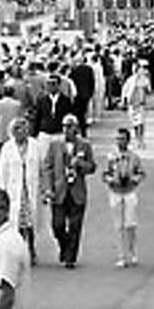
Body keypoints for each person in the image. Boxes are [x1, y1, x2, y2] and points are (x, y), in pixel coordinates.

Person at [41, 113, 96, 269]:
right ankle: (64, 246)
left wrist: (81, 164)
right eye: (65, 126)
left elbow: (92, 167)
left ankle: (70, 257)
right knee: (57, 225)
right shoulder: (55, 145)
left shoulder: (84, 145)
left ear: (76, 128)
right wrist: (47, 188)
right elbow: (47, 167)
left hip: (77, 192)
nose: (67, 129)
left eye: (70, 126)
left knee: (75, 225)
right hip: (59, 191)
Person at [0, 116, 41, 266]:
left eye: (24, 129)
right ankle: (21, 252)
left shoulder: (35, 145)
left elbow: (41, 167)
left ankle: (32, 248)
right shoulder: (7, 148)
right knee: (17, 224)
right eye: (18, 130)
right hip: (14, 190)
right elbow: (2, 172)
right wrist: (0, 192)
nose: (21, 132)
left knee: (30, 223)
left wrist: (45, 187)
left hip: (30, 188)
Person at [102, 127, 145, 268]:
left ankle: (132, 251)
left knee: (130, 224)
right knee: (118, 225)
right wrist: (111, 180)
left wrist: (134, 179)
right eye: (118, 139)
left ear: (128, 140)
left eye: (122, 139)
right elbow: (104, 174)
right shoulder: (111, 157)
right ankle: (121, 255)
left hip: (129, 192)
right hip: (115, 191)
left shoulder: (134, 157)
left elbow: (141, 173)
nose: (120, 142)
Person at [120, 64, 151, 150]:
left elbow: (148, 90)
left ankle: (141, 140)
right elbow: (125, 91)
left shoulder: (144, 80)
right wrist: (124, 101)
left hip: (141, 104)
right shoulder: (130, 80)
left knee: (141, 123)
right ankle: (136, 140)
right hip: (132, 104)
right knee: (134, 124)